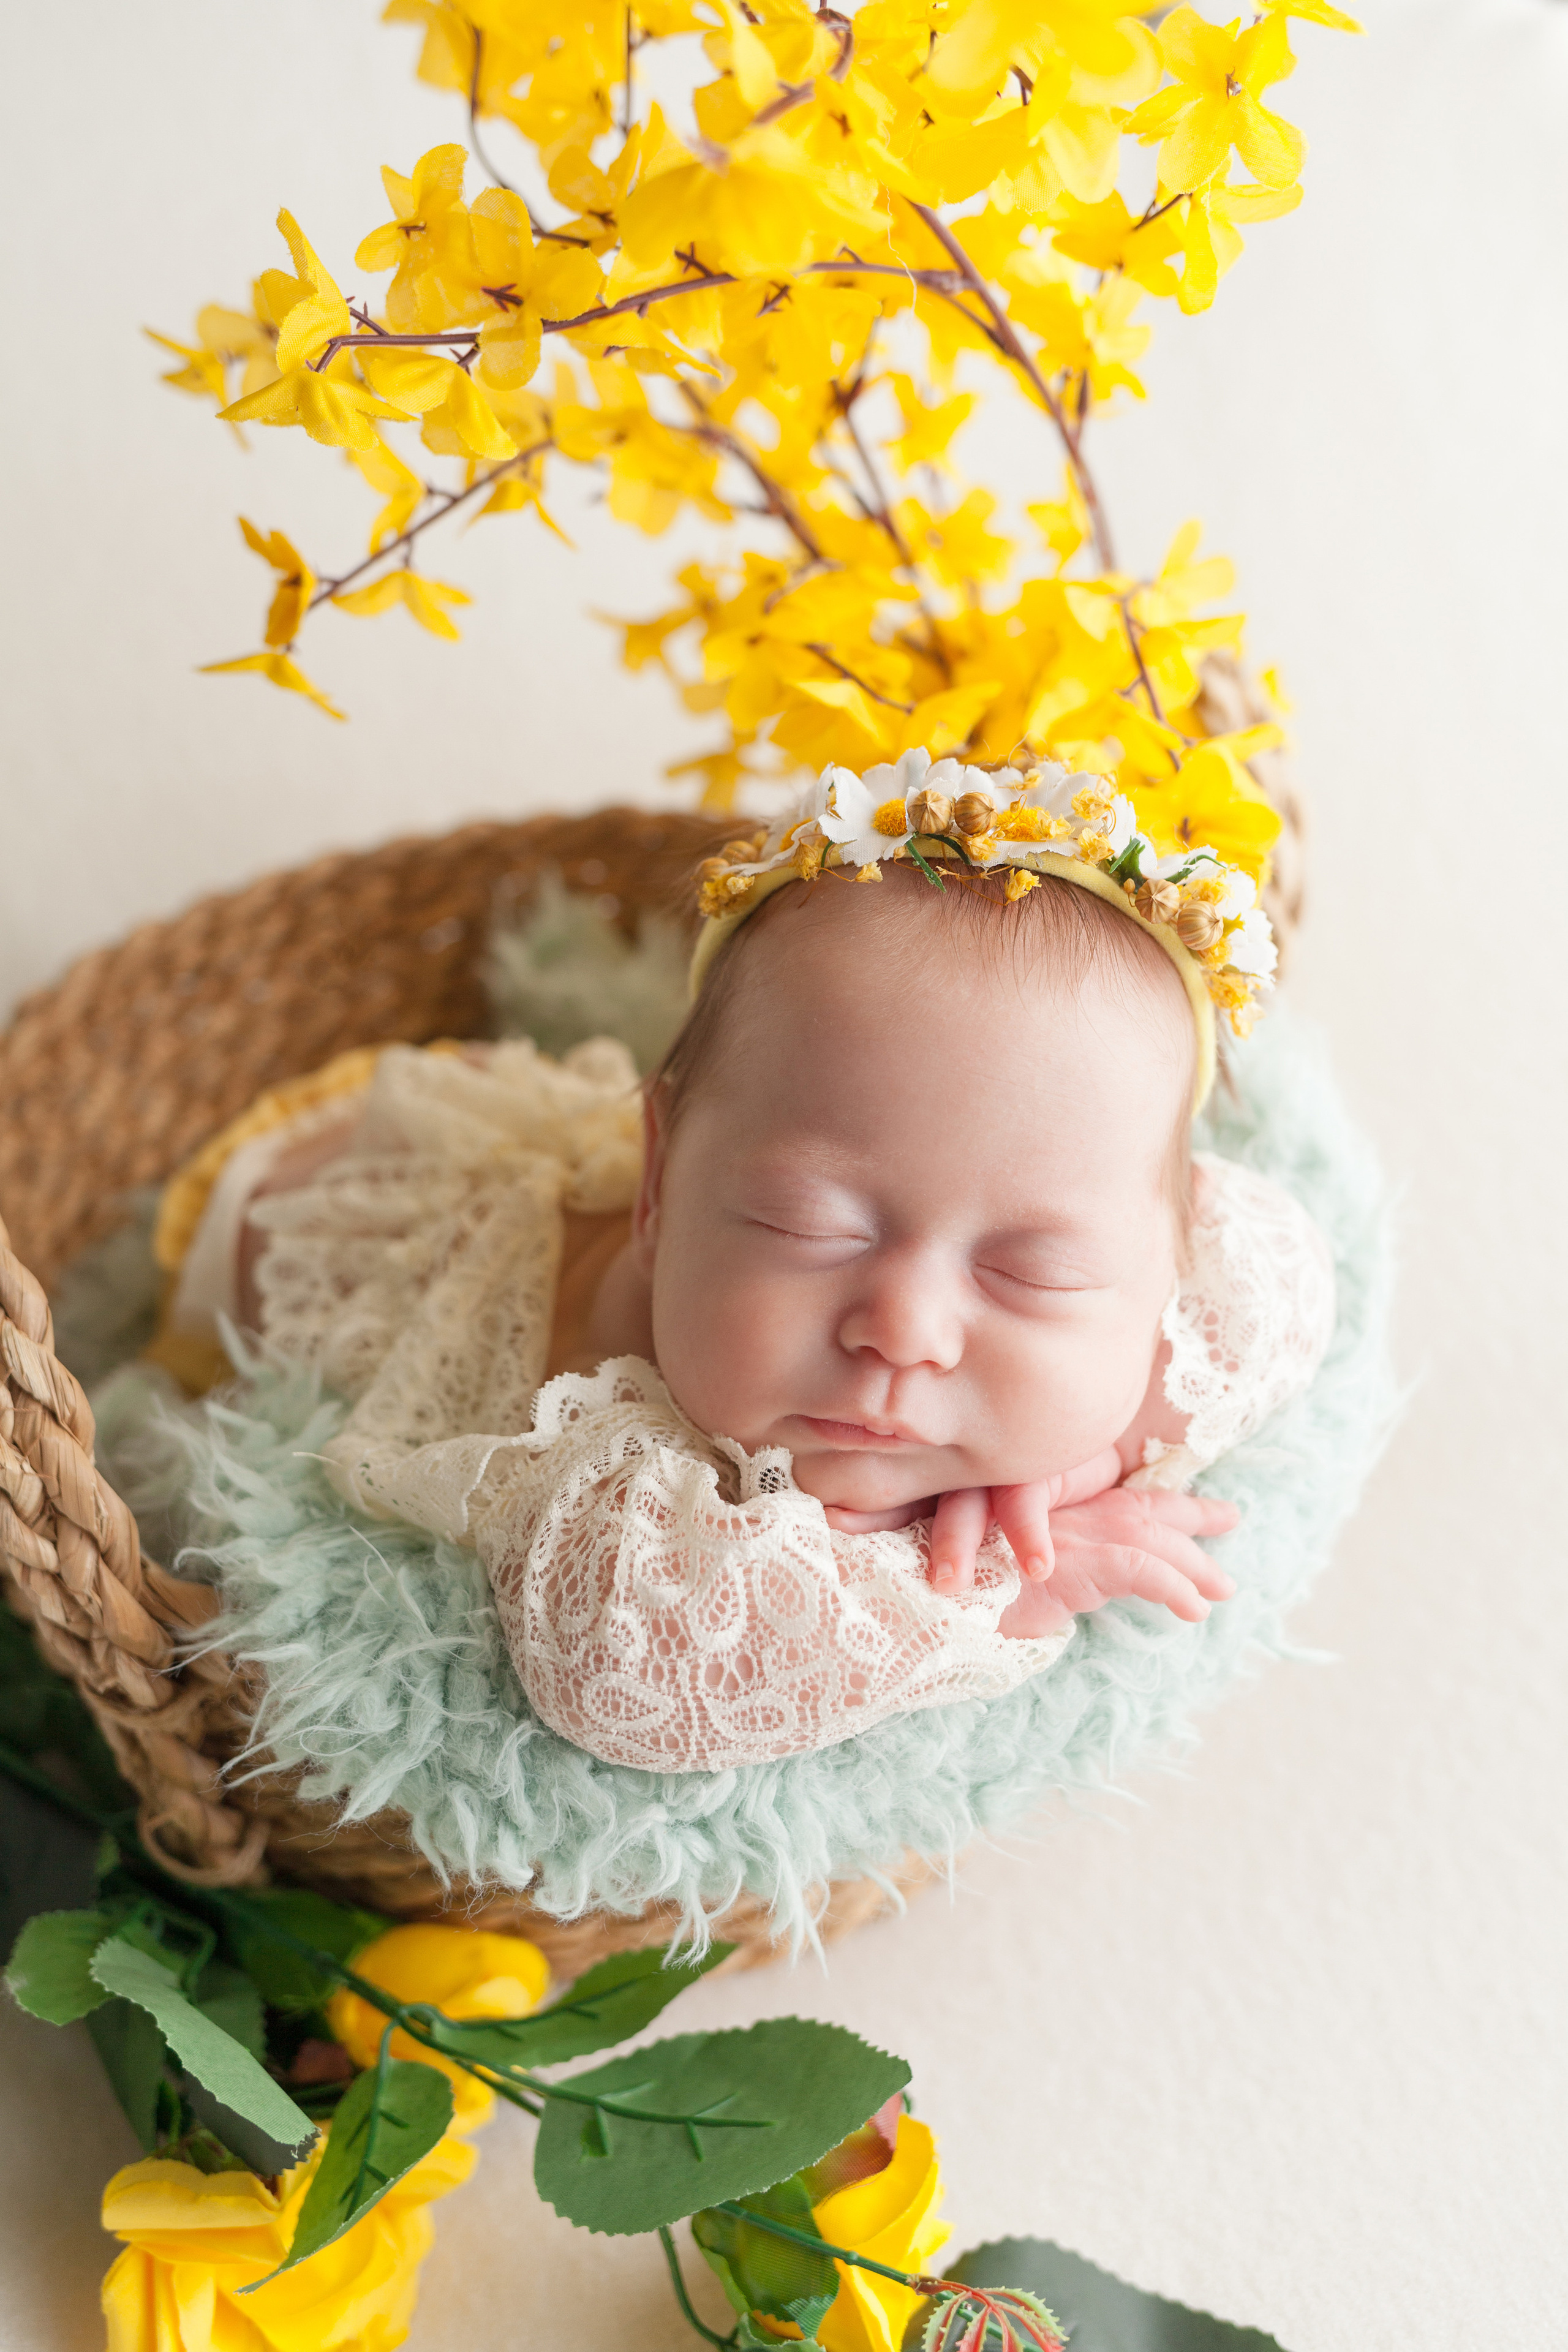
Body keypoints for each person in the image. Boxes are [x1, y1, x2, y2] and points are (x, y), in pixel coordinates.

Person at [152, 753, 1333, 1773]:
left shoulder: (1151, 1247)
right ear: (660, 1186)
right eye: (812, 1228)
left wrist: (1080, 1459)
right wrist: (1002, 1589)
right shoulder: (630, 1441)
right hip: (285, 1219)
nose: (905, 1329)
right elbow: (627, 1675)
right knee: (185, 1382)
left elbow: (1282, 1271)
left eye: (1034, 1273)